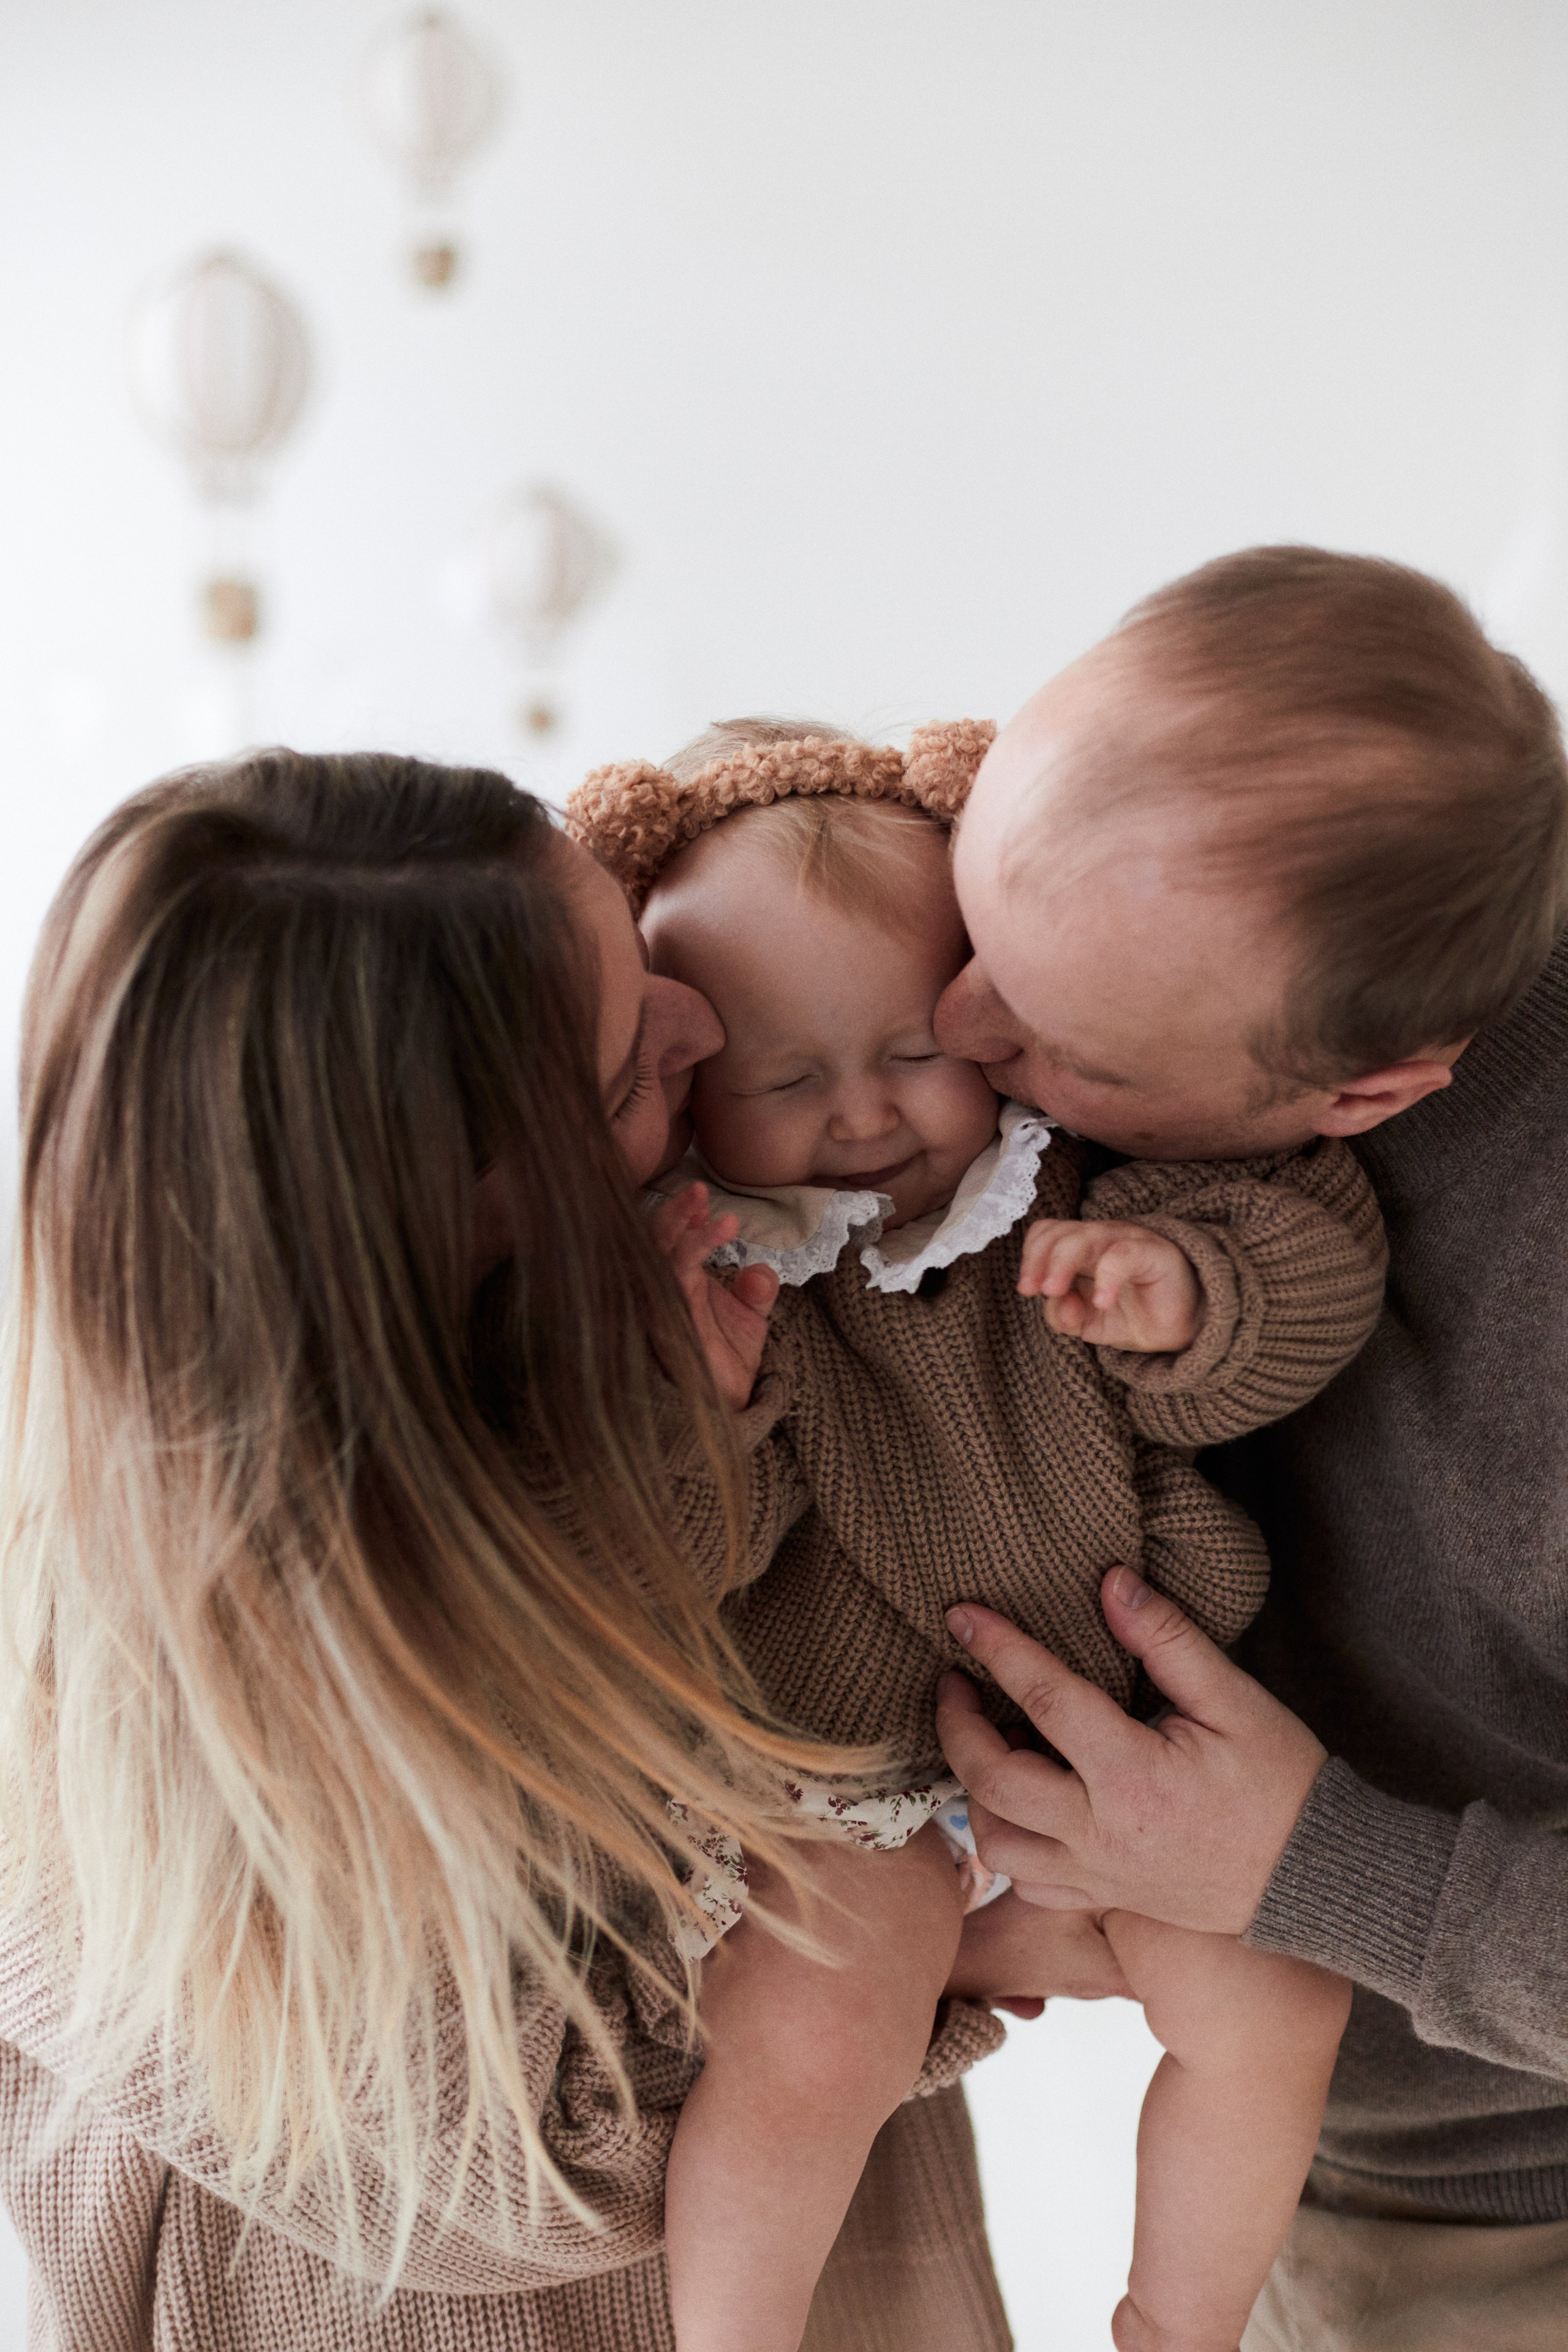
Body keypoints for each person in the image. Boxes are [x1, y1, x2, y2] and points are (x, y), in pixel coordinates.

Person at [0, 747, 1011, 2352]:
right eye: (621, 1071)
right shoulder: (225, 1635)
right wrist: (973, 1927)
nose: (695, 1021)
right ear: (453, 1210)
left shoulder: (669, 1296)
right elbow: (511, 2165)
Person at [567, 716, 1387, 2352]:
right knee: (814, 2051)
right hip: (848, 1770)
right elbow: (667, 1567)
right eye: (784, 1080)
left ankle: (1180, 2324)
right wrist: (700, 1419)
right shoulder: (707, 1271)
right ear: (687, 1084)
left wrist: (1193, 1298)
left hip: (1134, 1751)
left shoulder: (1074, 1188)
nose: (863, 1118)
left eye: (910, 1054)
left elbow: (1315, 1261)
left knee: (1283, 1998)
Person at [930, 545, 1568, 2348]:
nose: (961, 1028)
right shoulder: (1272, 842)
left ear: (1367, 1098)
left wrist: (1312, 1868)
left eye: (1057, 1043)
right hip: (1299, 2107)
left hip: (1497, 2215)